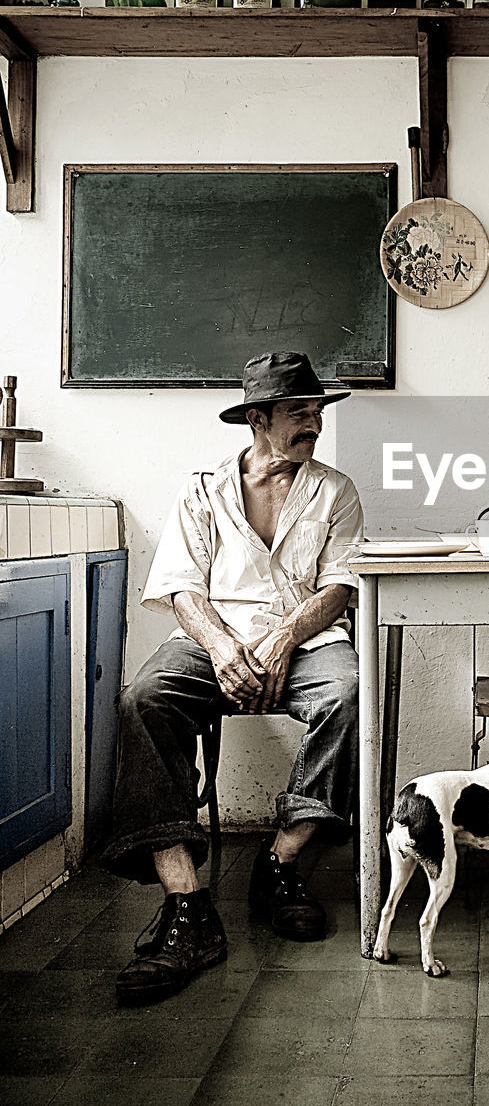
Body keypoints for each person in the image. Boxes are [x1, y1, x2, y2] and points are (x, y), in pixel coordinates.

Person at [103, 351, 363, 1004]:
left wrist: (281, 639)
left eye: (317, 412)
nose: (314, 425)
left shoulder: (336, 491)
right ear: (256, 417)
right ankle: (187, 905)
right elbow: (181, 590)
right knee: (145, 698)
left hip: (306, 642)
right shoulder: (204, 490)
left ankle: (281, 861)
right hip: (214, 642)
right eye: (299, 413)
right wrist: (223, 649)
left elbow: (339, 587)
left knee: (351, 692)